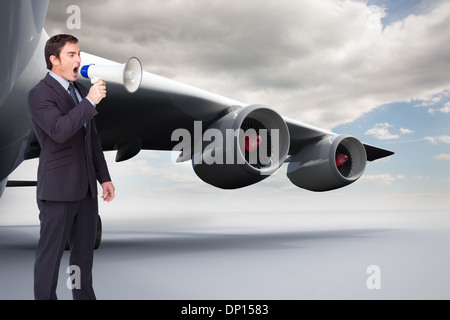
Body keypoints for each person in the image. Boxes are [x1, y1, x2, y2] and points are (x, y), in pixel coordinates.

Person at [28, 34, 115, 300]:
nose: (79, 59)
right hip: (58, 192)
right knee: (50, 260)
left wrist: (104, 178)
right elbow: (59, 131)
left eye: (79, 54)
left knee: (82, 262)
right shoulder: (39, 94)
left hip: (87, 191)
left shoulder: (77, 91)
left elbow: (92, 140)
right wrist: (89, 102)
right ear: (54, 60)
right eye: (71, 55)